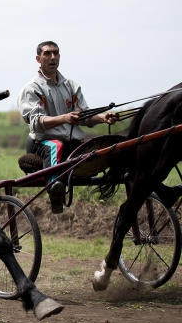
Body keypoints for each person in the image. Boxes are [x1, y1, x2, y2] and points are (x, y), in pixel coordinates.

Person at [18, 41, 118, 213]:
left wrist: (103, 117)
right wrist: (64, 118)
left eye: (56, 53)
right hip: (42, 142)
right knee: (56, 146)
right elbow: (36, 122)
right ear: (38, 59)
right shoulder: (31, 89)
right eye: (47, 53)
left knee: (99, 145)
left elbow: (84, 115)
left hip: (72, 142)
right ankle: (55, 190)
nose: (52, 57)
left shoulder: (71, 86)